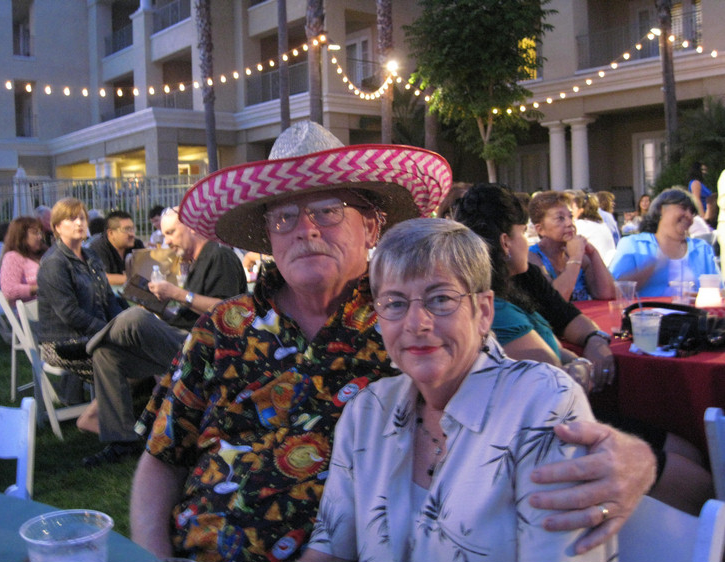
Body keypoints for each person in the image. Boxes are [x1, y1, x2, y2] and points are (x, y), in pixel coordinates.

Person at [129, 122, 656, 561]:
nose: (304, 229)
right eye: (284, 215)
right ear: (268, 235)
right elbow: (162, 455)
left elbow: (522, 399)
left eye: (328, 209)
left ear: (372, 223)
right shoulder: (220, 329)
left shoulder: (413, 320)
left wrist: (638, 457)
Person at [302, 218, 616, 561]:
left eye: (440, 299)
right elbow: (329, 548)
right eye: (395, 303)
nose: (417, 322)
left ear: (483, 311)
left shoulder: (544, 403)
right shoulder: (368, 411)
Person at [456, 183, 714, 516]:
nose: (528, 240)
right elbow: (554, 382)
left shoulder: (521, 279)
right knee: (697, 484)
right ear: (506, 242)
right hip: (547, 435)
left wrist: (591, 343)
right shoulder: (492, 306)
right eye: (524, 232)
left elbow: (569, 319)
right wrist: (575, 362)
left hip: (570, 416)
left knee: (689, 452)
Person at [81, 206, 247, 467]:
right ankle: (123, 441)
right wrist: (162, 306)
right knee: (106, 354)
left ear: (192, 227)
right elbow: (188, 315)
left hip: (210, 350)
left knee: (135, 319)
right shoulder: (196, 262)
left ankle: (88, 346)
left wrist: (177, 294)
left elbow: (228, 310)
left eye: (170, 232)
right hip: (184, 343)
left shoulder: (220, 256)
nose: (166, 240)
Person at [37, 198, 124, 403]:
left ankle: (143, 407)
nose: (79, 223)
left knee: (137, 345)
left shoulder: (91, 255)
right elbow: (70, 314)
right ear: (58, 227)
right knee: (122, 356)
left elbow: (109, 298)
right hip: (62, 343)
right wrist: (108, 332)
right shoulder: (54, 263)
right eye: (71, 219)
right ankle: (108, 417)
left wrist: (122, 324)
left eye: (82, 218)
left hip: (93, 334)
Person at [609, 187, 719, 297]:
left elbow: (720, 292)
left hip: (693, 313)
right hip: (648, 313)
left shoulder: (701, 249)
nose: (689, 216)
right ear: (661, 209)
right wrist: (651, 269)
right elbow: (612, 290)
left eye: (692, 212)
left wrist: (700, 296)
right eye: (683, 208)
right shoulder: (633, 245)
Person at [528, 191, 615, 301]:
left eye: (570, 216)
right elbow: (554, 302)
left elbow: (607, 294)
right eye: (560, 218)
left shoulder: (579, 256)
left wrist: (593, 254)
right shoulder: (532, 259)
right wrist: (575, 259)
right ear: (540, 229)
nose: (569, 223)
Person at [0, 216, 46, 308]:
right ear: (21, 236)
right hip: (31, 314)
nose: (40, 237)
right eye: (35, 233)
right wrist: (40, 288)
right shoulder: (12, 257)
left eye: (40, 233)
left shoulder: (43, 254)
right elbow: (9, 290)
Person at [88, 210, 145, 286]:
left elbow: (146, 271)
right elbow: (101, 277)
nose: (132, 234)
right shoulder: (98, 247)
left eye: (132, 229)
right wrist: (133, 279)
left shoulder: (137, 244)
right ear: (111, 233)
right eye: (126, 229)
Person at [568, 191, 616, 265]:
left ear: (580, 210)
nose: (571, 212)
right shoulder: (602, 224)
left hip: (595, 268)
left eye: (573, 209)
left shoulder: (579, 225)